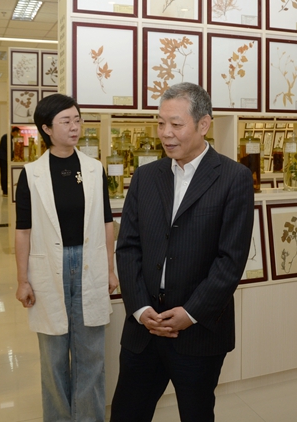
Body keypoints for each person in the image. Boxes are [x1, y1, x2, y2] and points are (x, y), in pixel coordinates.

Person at [110, 82, 254, 422]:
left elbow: (230, 260)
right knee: (127, 413)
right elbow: (128, 246)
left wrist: (190, 313)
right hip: (144, 329)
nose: (165, 133)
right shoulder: (146, 176)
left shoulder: (233, 178)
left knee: (196, 414)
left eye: (176, 124)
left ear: (203, 125)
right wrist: (140, 308)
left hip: (198, 330)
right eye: (161, 123)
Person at [14, 94, 117, 422]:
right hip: (48, 268)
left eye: (77, 120)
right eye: (66, 121)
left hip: (89, 265)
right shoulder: (31, 174)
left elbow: (106, 222)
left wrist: (110, 268)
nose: (75, 127)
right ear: (46, 129)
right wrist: (22, 280)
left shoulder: (94, 168)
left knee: (91, 355)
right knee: (54, 357)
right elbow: (23, 231)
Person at [0, 127, 19, 196]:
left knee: (5, 174)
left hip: (5, 158)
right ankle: (4, 191)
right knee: (4, 174)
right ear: (14, 132)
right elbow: (7, 149)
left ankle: (5, 190)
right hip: (3, 159)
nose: (17, 135)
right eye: (17, 133)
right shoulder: (6, 137)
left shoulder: (9, 138)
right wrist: (13, 156)